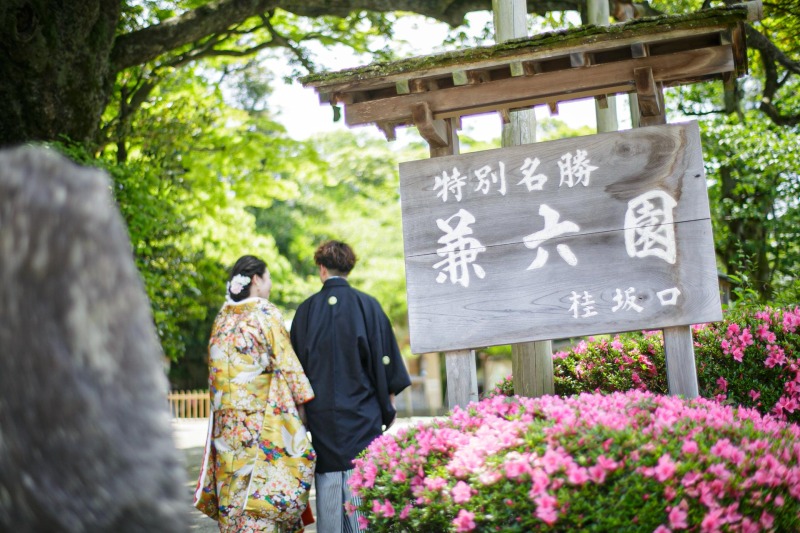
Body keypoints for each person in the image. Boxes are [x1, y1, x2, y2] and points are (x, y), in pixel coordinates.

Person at [290, 240, 412, 533]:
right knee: (362, 482)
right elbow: (385, 362)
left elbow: (294, 371)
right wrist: (388, 403)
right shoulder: (368, 306)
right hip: (363, 414)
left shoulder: (305, 312)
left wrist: (302, 413)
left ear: (322, 269)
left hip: (321, 419)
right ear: (349, 268)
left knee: (330, 483)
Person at [194, 255, 316, 533]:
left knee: (232, 486)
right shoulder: (264, 312)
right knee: (260, 492)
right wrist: (303, 401)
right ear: (257, 280)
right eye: (269, 278)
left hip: (225, 424)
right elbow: (286, 360)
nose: (270, 285)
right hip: (259, 421)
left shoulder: (221, 318)